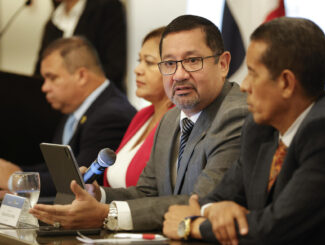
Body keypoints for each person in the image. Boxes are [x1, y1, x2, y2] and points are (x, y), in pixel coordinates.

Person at [29, 15, 248, 231]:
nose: (179, 75)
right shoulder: (171, 118)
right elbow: (147, 192)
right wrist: (98, 195)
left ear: (223, 64)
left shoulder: (235, 114)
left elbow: (199, 202)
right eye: (170, 63)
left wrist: (108, 214)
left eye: (192, 61)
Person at [163, 17, 325, 244]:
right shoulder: (259, 130)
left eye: (252, 73)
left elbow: (274, 228)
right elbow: (213, 198)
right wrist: (214, 211)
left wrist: (193, 225)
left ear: (287, 83)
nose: (245, 85)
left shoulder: (321, 132)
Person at [0, 36, 136, 197]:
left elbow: (78, 180)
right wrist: (17, 172)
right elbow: (56, 168)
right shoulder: (75, 108)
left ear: (81, 75)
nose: (44, 87)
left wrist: (16, 180)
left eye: (52, 78)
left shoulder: (111, 116)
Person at [103, 27, 174, 188]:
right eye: (139, 61)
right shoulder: (142, 116)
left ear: (173, 68)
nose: (137, 70)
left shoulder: (178, 121)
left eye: (149, 62)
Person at [34, 0, 127, 92]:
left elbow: (115, 68)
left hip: (101, 99)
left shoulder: (107, 7)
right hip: (59, 101)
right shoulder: (54, 19)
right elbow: (40, 70)